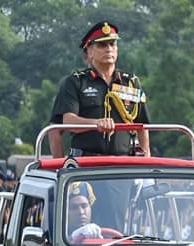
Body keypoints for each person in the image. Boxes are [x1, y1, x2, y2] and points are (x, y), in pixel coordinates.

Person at [51, 21, 150, 157]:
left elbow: (142, 127)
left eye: (112, 44)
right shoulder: (76, 81)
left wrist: (146, 163)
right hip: (86, 163)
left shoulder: (131, 82)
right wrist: (59, 168)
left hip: (125, 162)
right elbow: (64, 124)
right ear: (89, 51)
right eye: (102, 45)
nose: (109, 49)